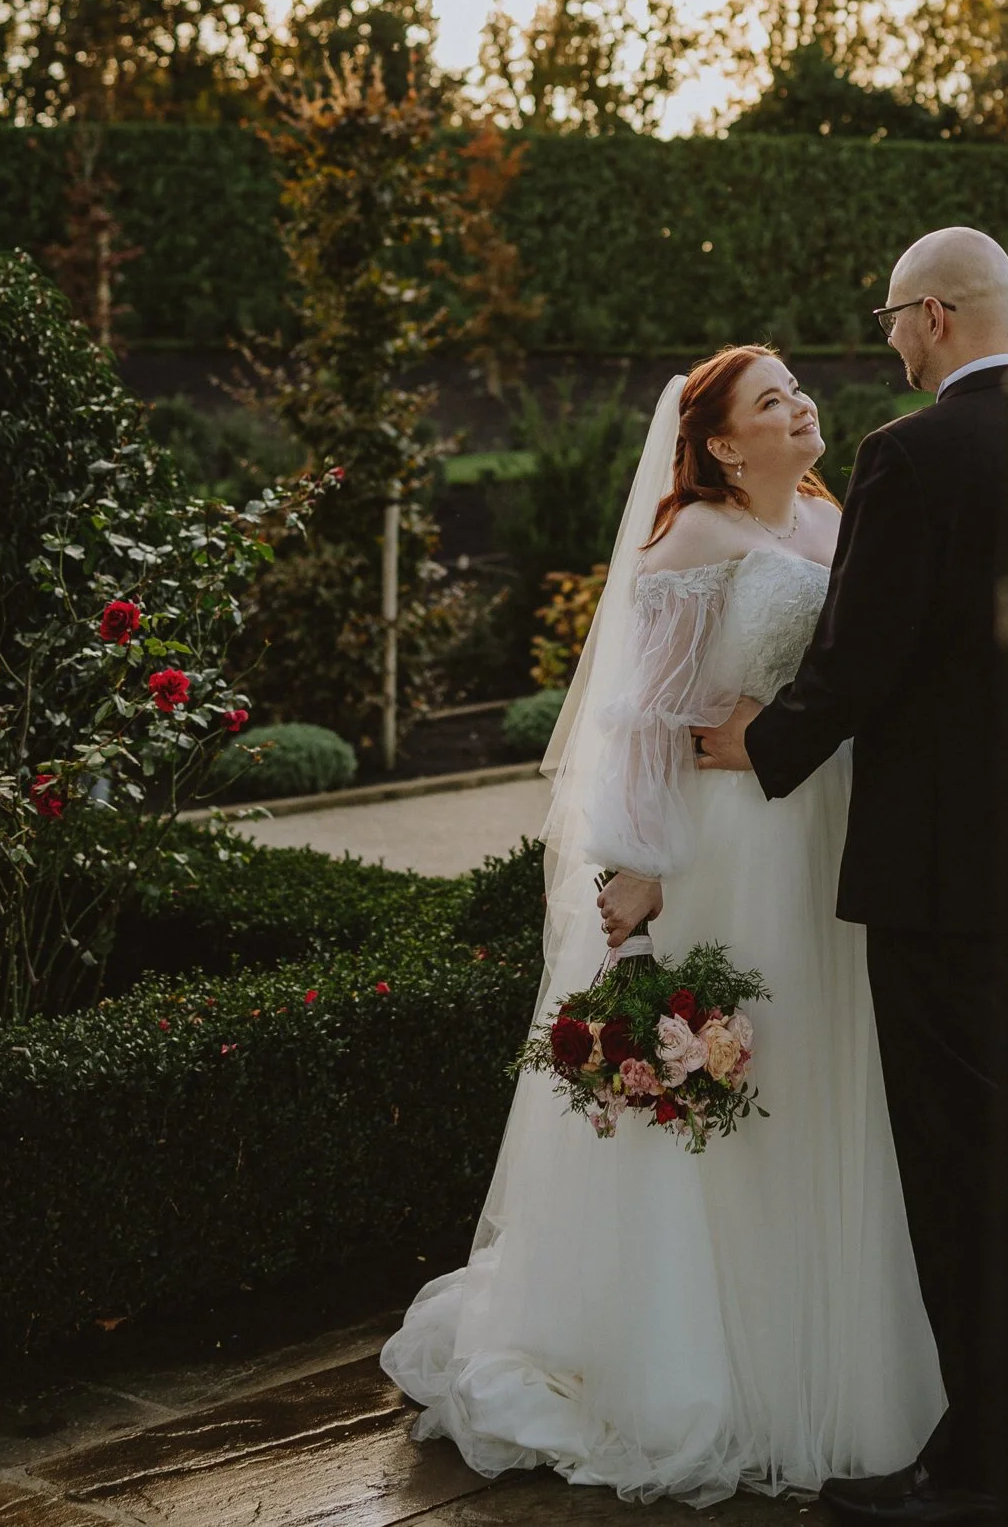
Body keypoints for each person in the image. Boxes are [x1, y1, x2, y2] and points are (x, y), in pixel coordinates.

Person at [381, 346, 944, 1508]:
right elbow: (639, 727)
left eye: (798, 390)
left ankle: (831, 1354)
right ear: (727, 443)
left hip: (826, 834)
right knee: (734, 1093)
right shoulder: (690, 542)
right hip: (725, 852)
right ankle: (697, 1370)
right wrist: (638, 876)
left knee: (832, 1084)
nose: (802, 406)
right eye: (774, 400)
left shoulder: (836, 527)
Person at [694, 227, 1008, 1527]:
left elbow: (867, 655)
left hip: (934, 866)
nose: (884, 340)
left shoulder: (909, 454)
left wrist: (760, 744)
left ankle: (976, 1466)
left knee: (949, 1164)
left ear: (933, 318)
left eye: (893, 317)